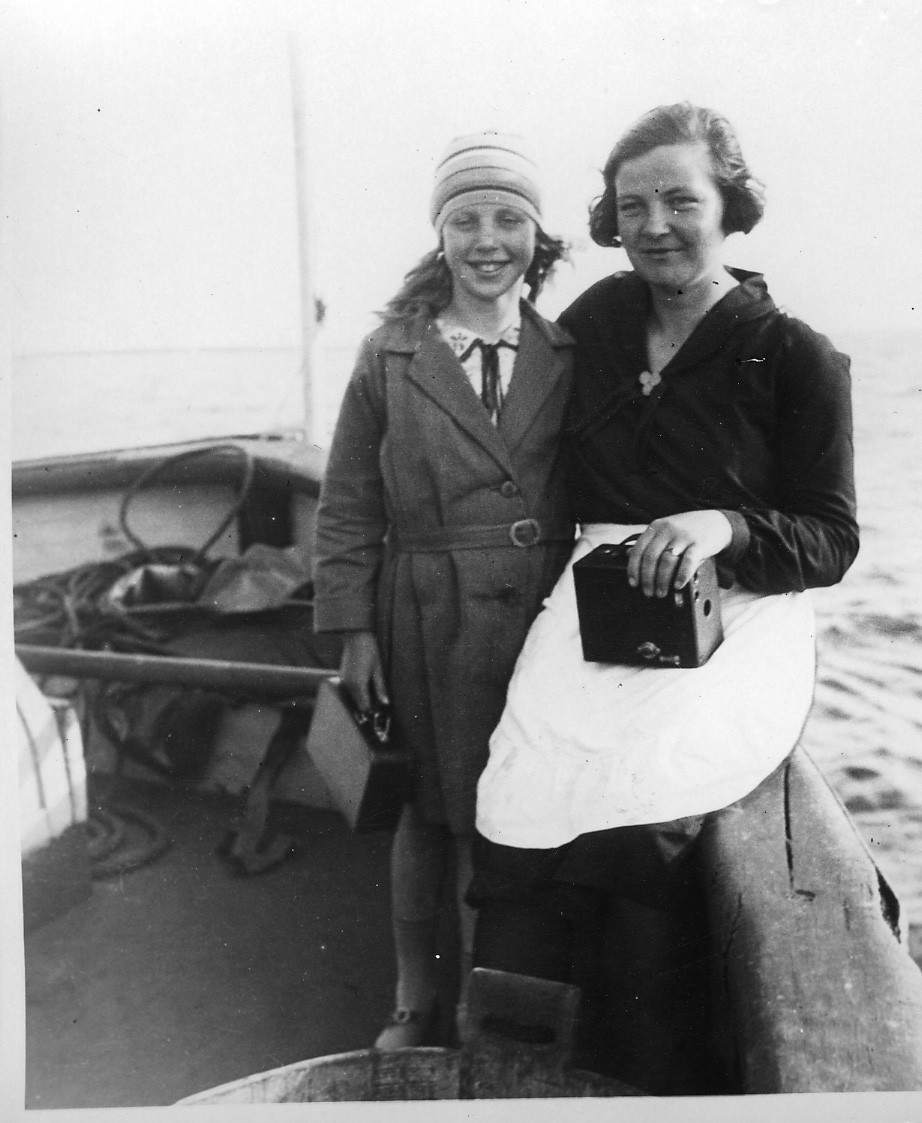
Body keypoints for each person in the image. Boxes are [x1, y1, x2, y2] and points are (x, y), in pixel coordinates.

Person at [468, 103, 859, 1091]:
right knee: (517, 802)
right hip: (600, 594)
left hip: (737, 602)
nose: (653, 226)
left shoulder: (794, 355)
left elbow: (831, 537)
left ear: (729, 206)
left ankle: (637, 1076)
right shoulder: (596, 322)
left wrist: (723, 524)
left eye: (680, 201)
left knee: (649, 810)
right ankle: (512, 1071)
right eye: (632, 205)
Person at [313, 132, 575, 1050]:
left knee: (499, 819)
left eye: (508, 218)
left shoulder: (568, 351)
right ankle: (411, 997)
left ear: (537, 236)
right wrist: (355, 633)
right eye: (465, 220)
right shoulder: (388, 355)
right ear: (439, 234)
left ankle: (475, 1007)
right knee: (429, 817)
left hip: (538, 619)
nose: (486, 240)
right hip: (424, 614)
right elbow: (347, 504)